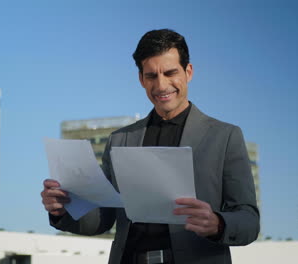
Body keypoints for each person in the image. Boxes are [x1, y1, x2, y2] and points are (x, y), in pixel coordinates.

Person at [41, 29, 259, 264]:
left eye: (170, 73)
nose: (161, 85)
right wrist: (62, 210)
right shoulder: (120, 140)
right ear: (141, 79)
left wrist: (218, 223)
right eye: (151, 76)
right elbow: (102, 219)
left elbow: (249, 220)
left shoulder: (225, 137)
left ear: (188, 72)